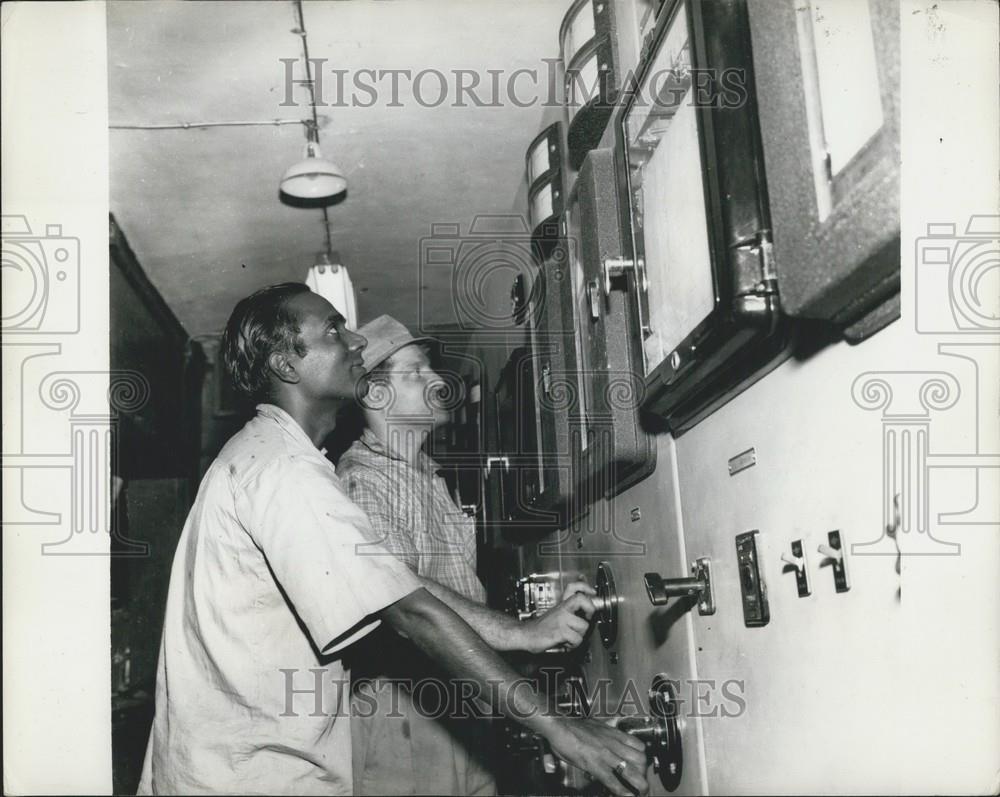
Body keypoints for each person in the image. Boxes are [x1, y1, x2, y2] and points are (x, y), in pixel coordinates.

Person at [137, 283, 647, 796]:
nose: (356, 340)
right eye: (334, 330)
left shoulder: (273, 457)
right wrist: (558, 726)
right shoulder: (285, 470)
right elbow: (408, 608)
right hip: (252, 778)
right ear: (286, 364)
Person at [337, 315, 597, 796]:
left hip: (460, 708)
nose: (438, 381)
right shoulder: (363, 480)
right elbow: (403, 595)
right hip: (407, 719)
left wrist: (540, 624)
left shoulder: (426, 476)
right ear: (374, 395)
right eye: (416, 372)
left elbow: (453, 591)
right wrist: (525, 633)